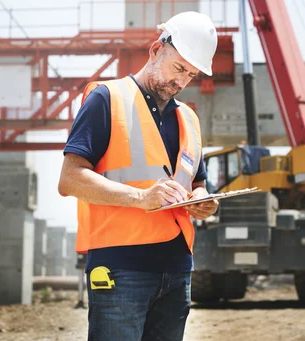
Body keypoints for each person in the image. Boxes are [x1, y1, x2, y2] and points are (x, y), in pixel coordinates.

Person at [57, 11, 219, 341]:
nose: (182, 81)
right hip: (121, 267)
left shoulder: (189, 119)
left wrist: (203, 200)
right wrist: (141, 197)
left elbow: (197, 183)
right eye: (178, 68)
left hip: (177, 270)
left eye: (191, 74)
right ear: (156, 50)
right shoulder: (107, 98)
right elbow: (70, 179)